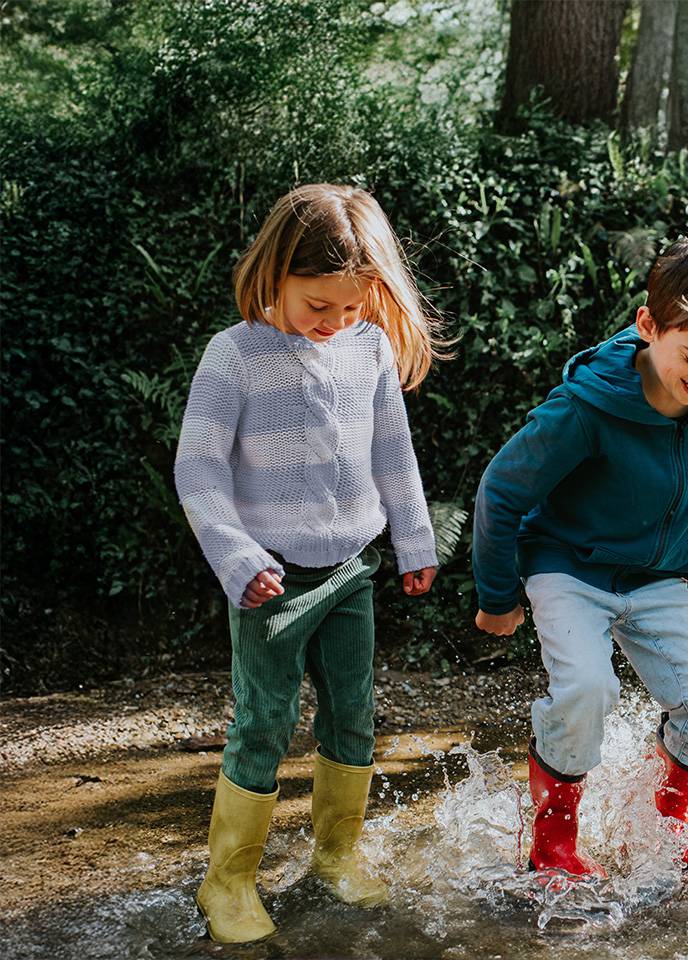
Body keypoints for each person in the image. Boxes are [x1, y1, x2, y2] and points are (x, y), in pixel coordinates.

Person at [175, 184, 447, 942]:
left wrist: (413, 542)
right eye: (316, 306)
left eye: (350, 308)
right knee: (264, 722)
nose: (333, 324)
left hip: (351, 570)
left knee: (353, 714)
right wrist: (236, 557)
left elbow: (393, 451)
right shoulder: (234, 356)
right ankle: (227, 882)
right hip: (269, 580)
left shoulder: (369, 348)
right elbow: (197, 471)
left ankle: (337, 853)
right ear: (275, 272)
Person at [472, 240, 688, 878]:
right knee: (586, 688)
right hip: (568, 567)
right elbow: (501, 490)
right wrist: (498, 598)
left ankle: (671, 820)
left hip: (658, 576)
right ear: (648, 325)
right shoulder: (584, 409)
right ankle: (554, 841)